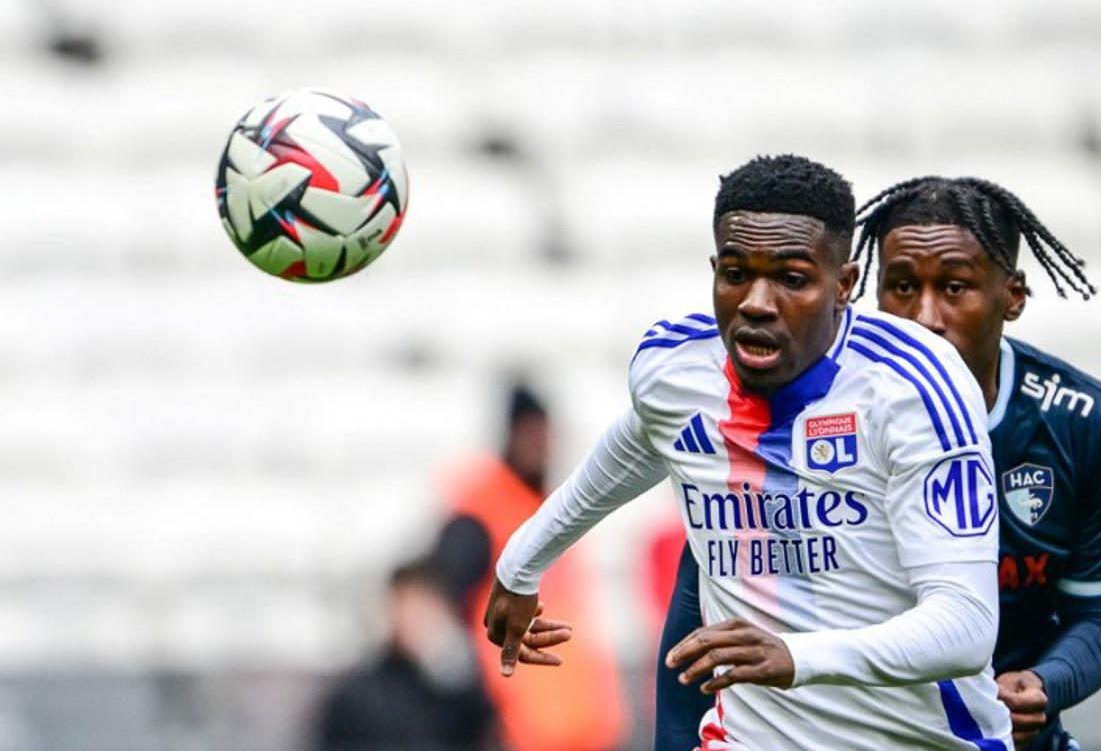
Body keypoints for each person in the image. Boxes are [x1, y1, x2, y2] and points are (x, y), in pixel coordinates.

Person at [484, 155, 1013, 750]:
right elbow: (630, 450)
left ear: (844, 285)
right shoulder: (676, 370)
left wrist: (795, 656)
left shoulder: (912, 387)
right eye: (736, 273)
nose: (757, 302)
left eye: (792, 279)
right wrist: (520, 563)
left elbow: (966, 626)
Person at [654, 175, 1101, 751]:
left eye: (954, 288)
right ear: (860, 290)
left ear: (1013, 296)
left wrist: (1046, 683)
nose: (924, 316)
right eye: (901, 287)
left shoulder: (1081, 421)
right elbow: (699, 614)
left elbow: (1095, 617)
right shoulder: (798, 405)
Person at [436, 384, 630, 751]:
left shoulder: (551, 506)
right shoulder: (481, 511)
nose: (540, 446)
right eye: (531, 434)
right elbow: (449, 609)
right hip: (520, 724)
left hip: (581, 721)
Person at [315, 561, 495, 751]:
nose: (416, 621)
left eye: (425, 610)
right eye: (408, 607)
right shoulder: (357, 696)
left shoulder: (462, 694)